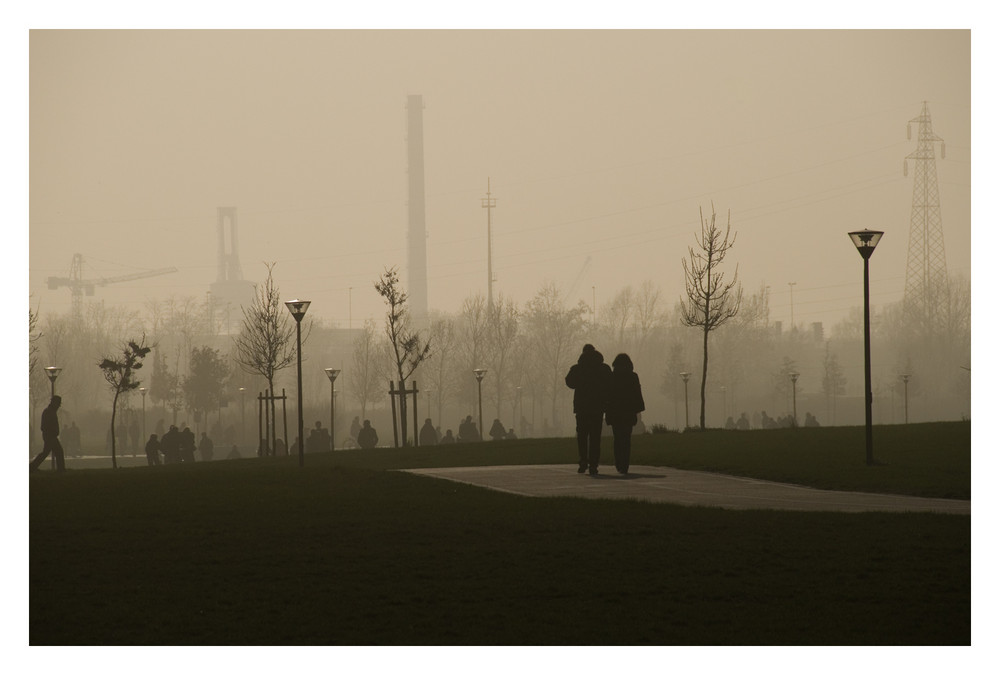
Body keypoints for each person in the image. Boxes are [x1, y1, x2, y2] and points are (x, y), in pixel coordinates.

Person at [565, 344, 612, 475]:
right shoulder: (603, 368)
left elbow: (569, 382)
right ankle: (593, 464)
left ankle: (583, 460)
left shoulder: (578, 368)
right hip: (597, 407)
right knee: (595, 437)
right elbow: (610, 385)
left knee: (582, 436)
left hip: (582, 407)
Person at [605, 353, 645, 475]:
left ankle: (618, 463)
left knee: (617, 439)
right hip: (628, 412)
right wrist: (638, 409)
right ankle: (625, 464)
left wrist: (607, 411)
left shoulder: (612, 377)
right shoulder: (633, 377)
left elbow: (608, 396)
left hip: (616, 412)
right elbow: (637, 393)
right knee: (626, 439)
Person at [30, 396, 65, 472]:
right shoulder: (49, 412)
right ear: (54, 403)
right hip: (50, 436)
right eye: (58, 404)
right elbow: (44, 426)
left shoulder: (49, 411)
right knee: (59, 451)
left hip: (49, 436)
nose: (59, 406)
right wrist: (52, 432)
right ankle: (61, 469)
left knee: (45, 453)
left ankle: (32, 467)